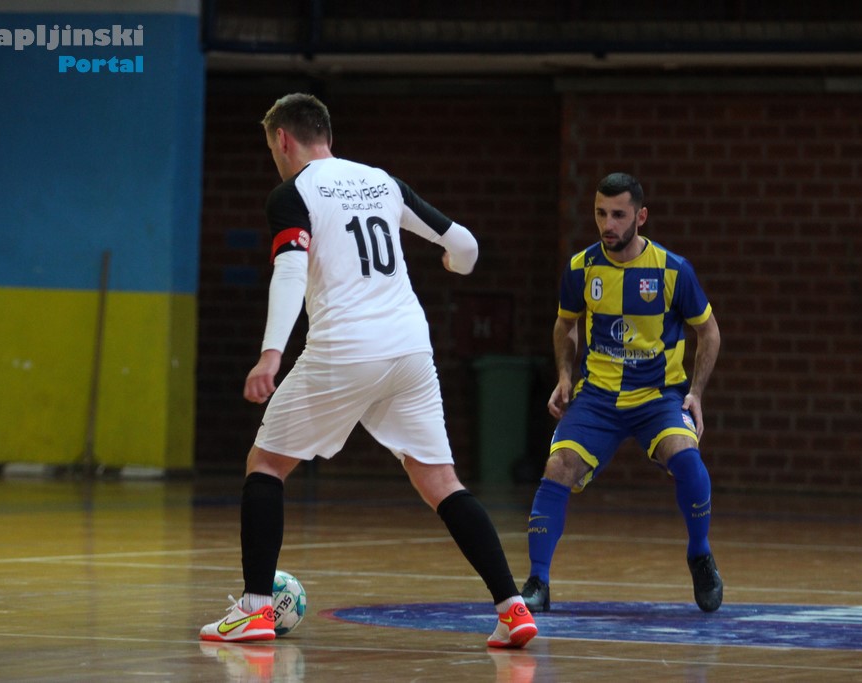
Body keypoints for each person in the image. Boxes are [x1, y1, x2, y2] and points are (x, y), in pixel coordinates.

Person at [199, 93, 537, 649]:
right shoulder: (382, 181)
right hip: (409, 349)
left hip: (345, 347)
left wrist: (271, 354)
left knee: (266, 464)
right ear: (326, 134)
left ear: (282, 139)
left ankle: (255, 609)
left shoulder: (293, 193)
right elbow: (466, 246)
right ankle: (512, 607)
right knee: (441, 482)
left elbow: (289, 273)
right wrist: (454, 264)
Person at [521, 172, 723, 614]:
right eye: (600, 213)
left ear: (640, 216)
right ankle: (538, 581)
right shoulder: (581, 267)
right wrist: (564, 376)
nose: (607, 224)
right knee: (558, 466)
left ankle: (700, 554)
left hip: (658, 397)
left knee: (687, 458)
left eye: (618, 215)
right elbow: (565, 324)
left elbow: (709, 332)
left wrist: (696, 393)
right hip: (598, 399)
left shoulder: (672, 270)